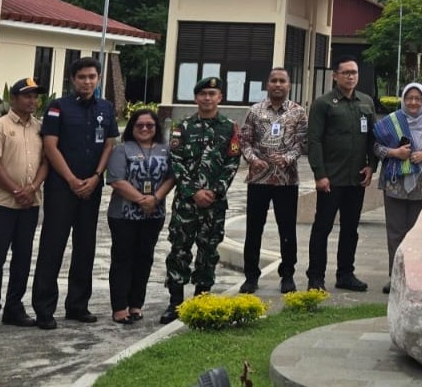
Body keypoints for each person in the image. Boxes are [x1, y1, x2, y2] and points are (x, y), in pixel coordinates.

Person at [31, 57, 118, 329]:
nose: (87, 81)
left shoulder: (106, 108)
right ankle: (44, 309)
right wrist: (71, 179)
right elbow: (50, 146)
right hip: (61, 188)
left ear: (98, 78)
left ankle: (78, 305)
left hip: (91, 188)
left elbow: (109, 144)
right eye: (82, 77)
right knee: (53, 246)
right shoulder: (59, 107)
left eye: (92, 76)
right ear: (73, 79)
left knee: (85, 247)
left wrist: (96, 177)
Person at [160, 77, 241, 323]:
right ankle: (175, 303)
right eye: (203, 93)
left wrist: (215, 191)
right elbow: (176, 161)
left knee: (208, 252)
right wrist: (194, 191)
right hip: (186, 203)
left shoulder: (230, 128)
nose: (207, 98)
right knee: (179, 251)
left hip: (214, 204)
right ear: (196, 98)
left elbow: (232, 163)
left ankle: (201, 301)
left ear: (220, 98)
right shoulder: (183, 127)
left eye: (212, 94)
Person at [0, 77, 46, 332]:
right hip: (1, 204)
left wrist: (33, 187)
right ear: (14, 99)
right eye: (27, 96)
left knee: (23, 257)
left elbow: (45, 162)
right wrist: (17, 190)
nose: (32, 101)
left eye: (35, 96)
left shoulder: (40, 128)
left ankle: (14, 308)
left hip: (30, 204)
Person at [306, 56, 375, 292]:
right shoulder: (323, 104)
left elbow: (372, 138)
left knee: (350, 229)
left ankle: (346, 274)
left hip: (356, 178)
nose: (351, 77)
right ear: (335, 76)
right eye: (346, 73)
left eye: (354, 72)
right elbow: (314, 141)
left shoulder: (366, 102)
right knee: (322, 228)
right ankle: (316, 277)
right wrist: (319, 174)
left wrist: (372, 165)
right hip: (331, 178)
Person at [238, 67, 308, 295]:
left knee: (287, 229)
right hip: (258, 179)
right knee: (253, 229)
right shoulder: (255, 111)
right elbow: (244, 141)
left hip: (286, 180)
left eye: (282, 81)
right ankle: (251, 276)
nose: (278, 85)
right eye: (274, 80)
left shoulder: (298, 112)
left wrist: (287, 158)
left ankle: (287, 275)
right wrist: (253, 159)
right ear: (267, 84)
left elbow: (301, 143)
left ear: (289, 85)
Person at [105, 108, 173, 324]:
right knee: (123, 259)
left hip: (154, 214)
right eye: (139, 125)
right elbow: (116, 180)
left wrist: (156, 198)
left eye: (149, 125)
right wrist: (142, 200)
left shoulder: (165, 149)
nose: (145, 128)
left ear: (156, 128)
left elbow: (172, 177)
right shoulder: (122, 149)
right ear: (132, 127)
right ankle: (119, 307)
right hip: (123, 215)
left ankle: (136, 304)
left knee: (144, 259)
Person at [375, 82, 422, 294]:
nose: (413, 102)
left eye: (417, 98)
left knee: (417, 234)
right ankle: (395, 276)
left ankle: (414, 277)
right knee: (395, 233)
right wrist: (394, 153)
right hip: (395, 184)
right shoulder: (391, 122)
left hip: (421, 187)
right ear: (403, 99)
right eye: (409, 98)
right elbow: (375, 147)